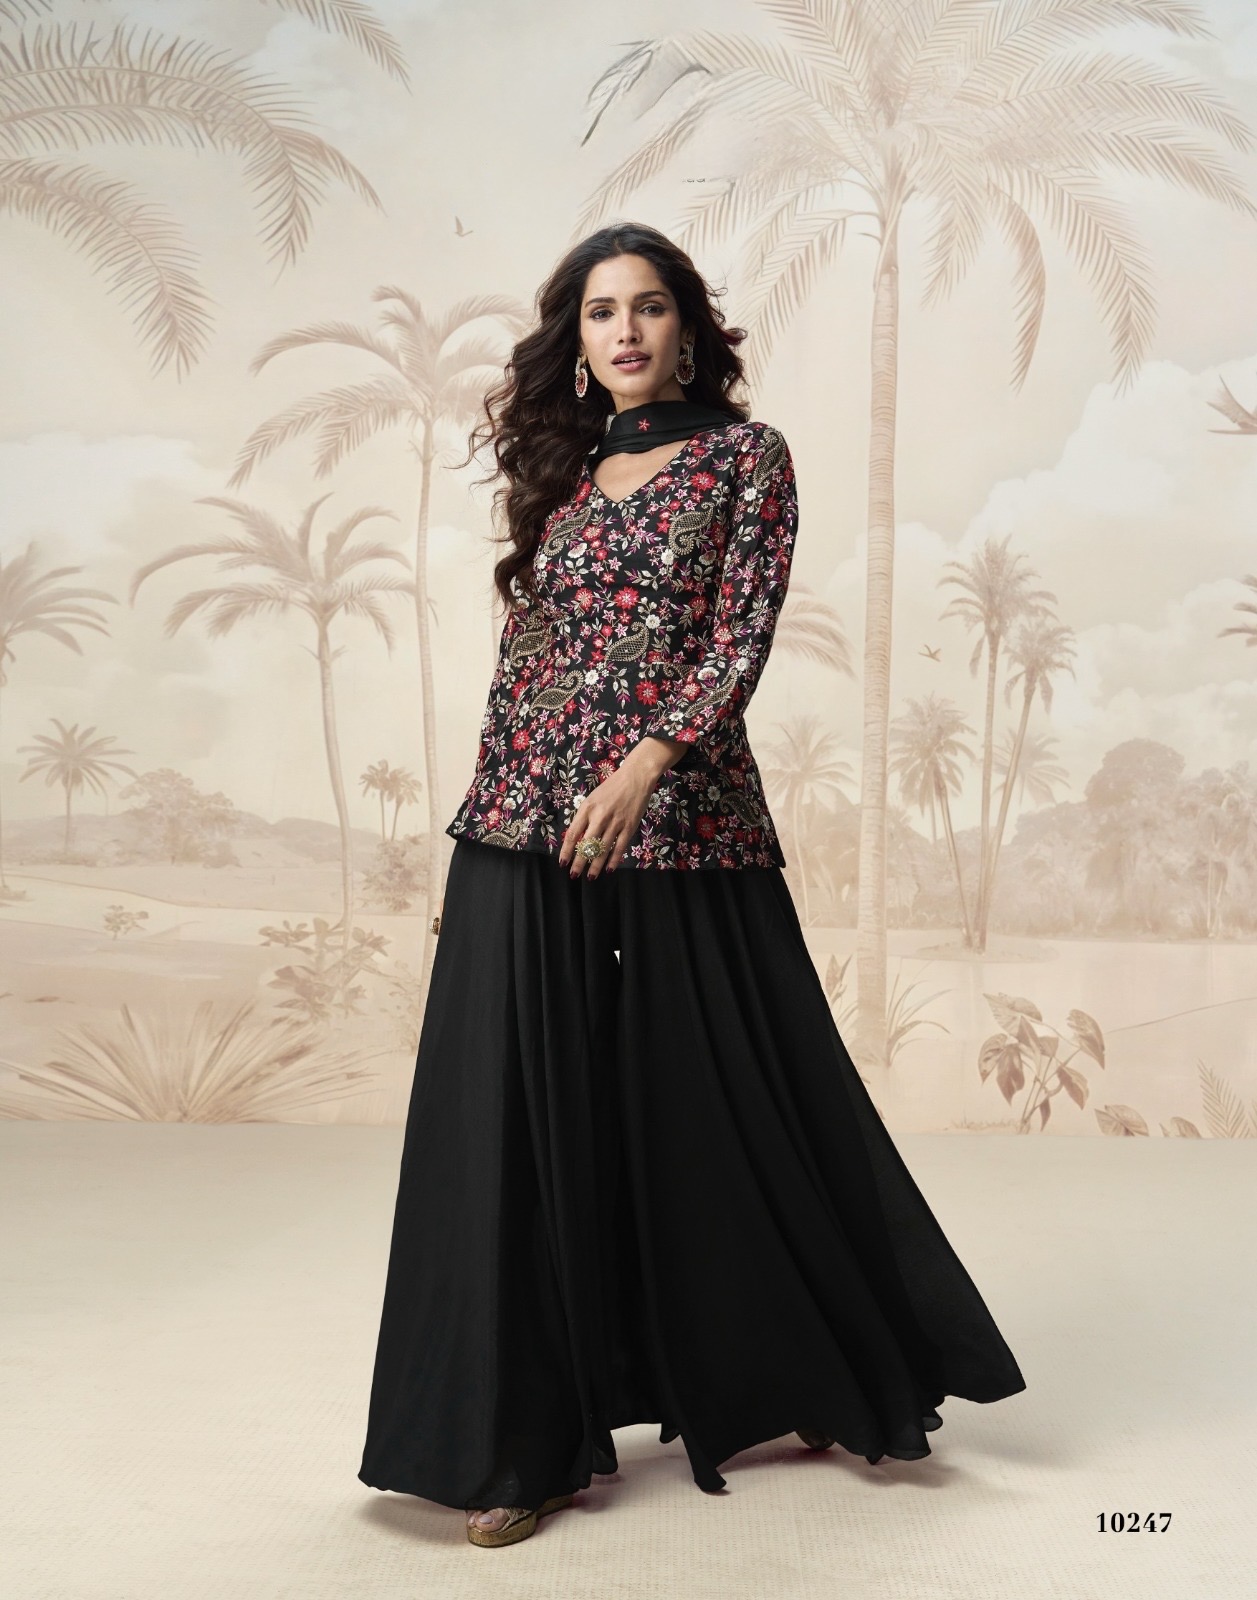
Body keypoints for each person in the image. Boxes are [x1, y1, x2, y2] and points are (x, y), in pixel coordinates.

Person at [357, 223, 1026, 1550]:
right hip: (525, 826)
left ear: (687, 327)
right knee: (510, 1122)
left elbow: (737, 640)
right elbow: (531, 659)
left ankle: (800, 1360)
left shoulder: (743, 459)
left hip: (681, 824)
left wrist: (645, 768)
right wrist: (493, 824)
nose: (625, 331)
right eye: (601, 311)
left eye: (649, 306)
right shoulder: (561, 473)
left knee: (724, 1099)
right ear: (576, 339)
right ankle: (516, 1446)